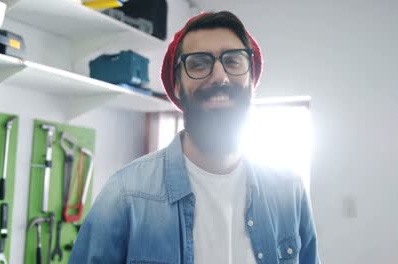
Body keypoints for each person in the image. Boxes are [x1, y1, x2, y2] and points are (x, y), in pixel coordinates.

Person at [69, 11, 320, 264]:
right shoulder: (124, 195)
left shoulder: (289, 191)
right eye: (198, 64)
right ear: (176, 86)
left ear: (251, 80)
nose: (220, 76)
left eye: (233, 61)